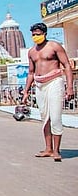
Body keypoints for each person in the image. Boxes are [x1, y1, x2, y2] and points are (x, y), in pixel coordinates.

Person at [23, 23, 74, 162]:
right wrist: (26, 91)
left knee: (56, 117)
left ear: (44, 33)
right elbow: (31, 73)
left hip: (54, 82)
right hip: (40, 85)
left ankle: (56, 151)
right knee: (44, 117)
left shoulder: (54, 46)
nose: (35, 37)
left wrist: (70, 86)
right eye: (33, 34)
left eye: (38, 34)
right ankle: (48, 148)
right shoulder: (32, 52)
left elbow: (67, 66)